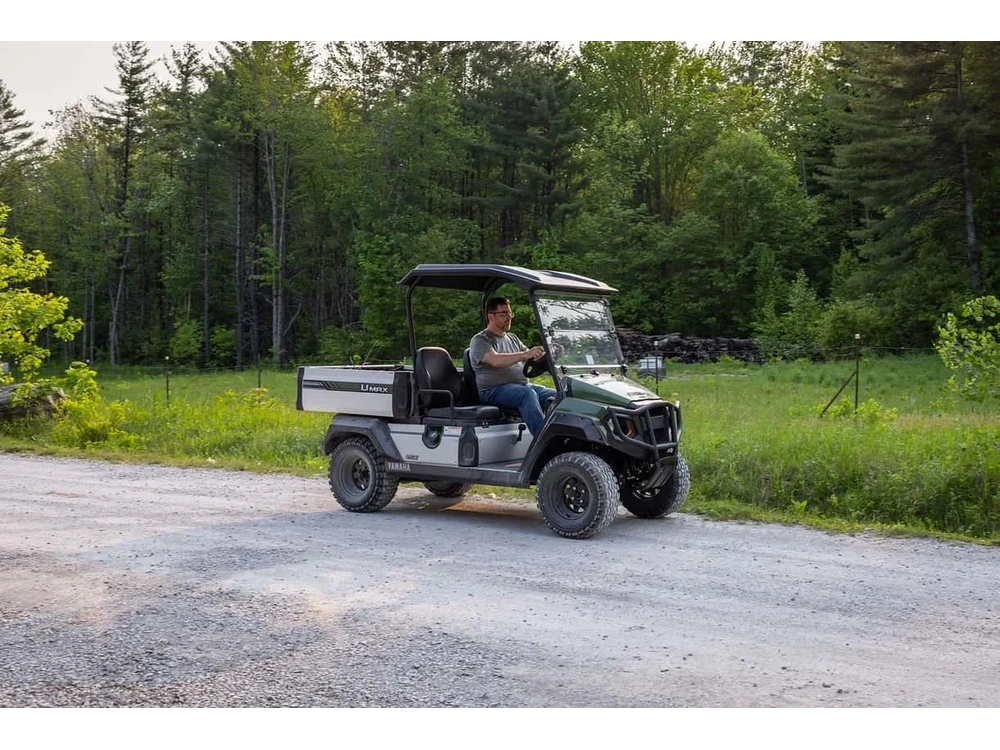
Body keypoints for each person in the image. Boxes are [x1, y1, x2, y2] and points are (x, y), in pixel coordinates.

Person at [469, 297, 557, 436]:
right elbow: (494, 360)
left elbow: (528, 357)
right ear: (490, 316)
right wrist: (524, 355)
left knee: (558, 395)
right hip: (492, 391)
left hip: (521, 386)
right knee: (526, 394)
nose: (509, 318)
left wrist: (541, 355)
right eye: (503, 314)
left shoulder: (513, 338)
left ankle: (563, 437)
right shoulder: (481, 339)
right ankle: (544, 440)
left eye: (510, 314)